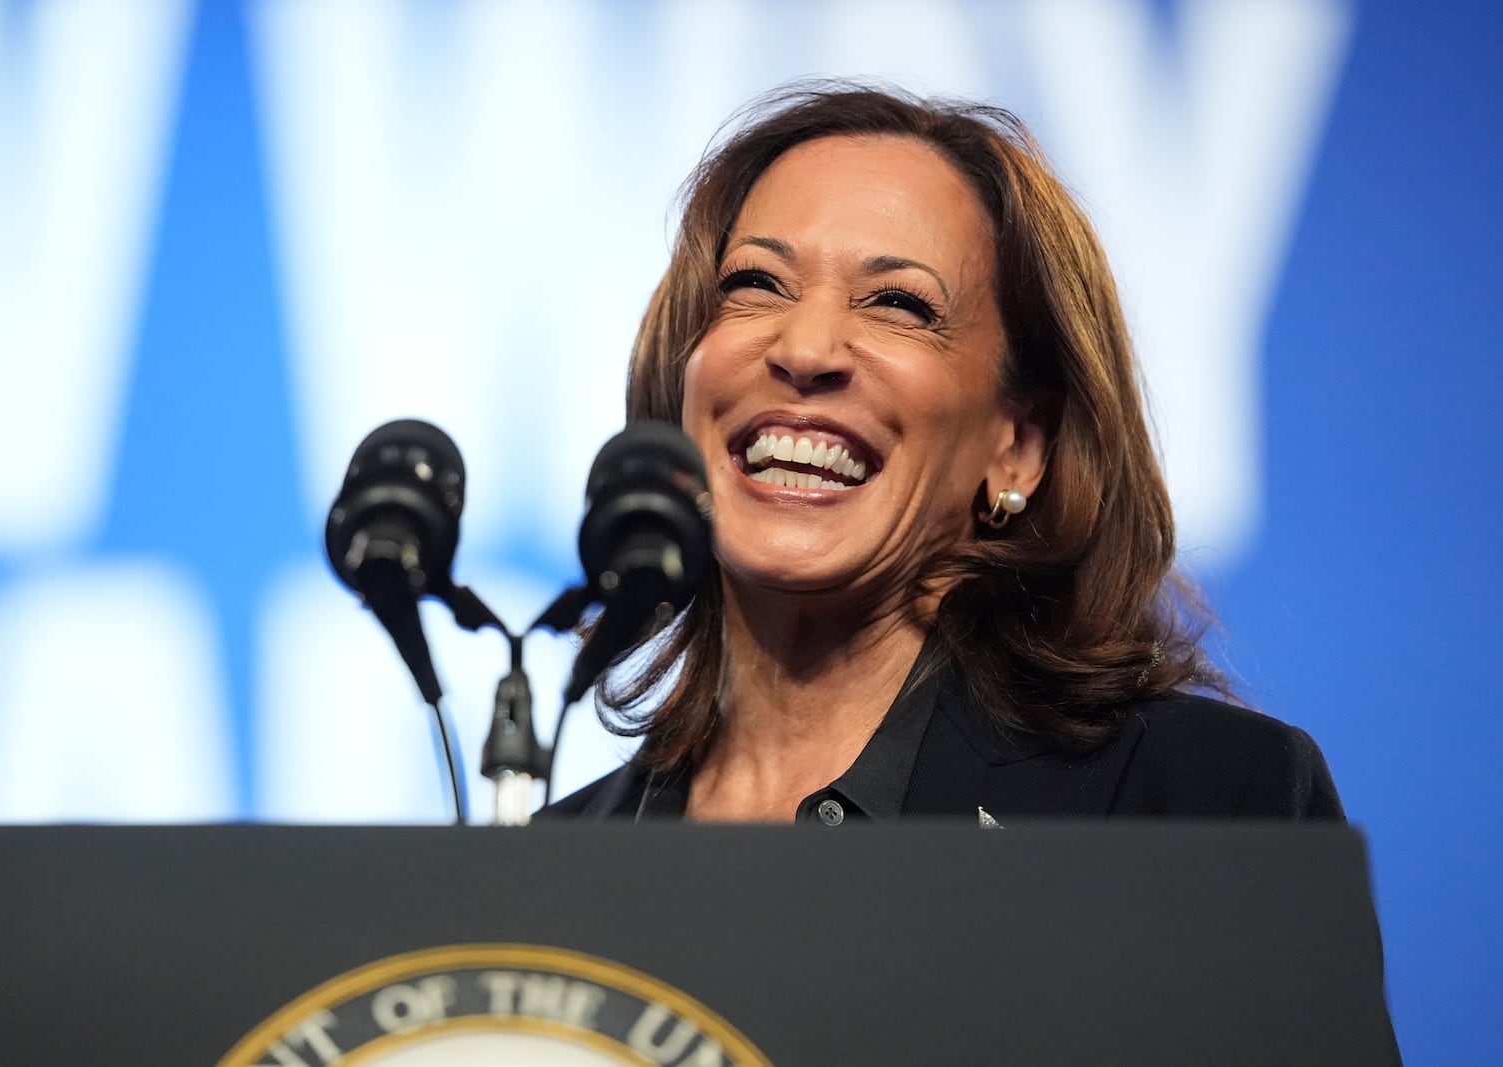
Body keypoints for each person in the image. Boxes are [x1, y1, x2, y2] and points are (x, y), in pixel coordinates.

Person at [548, 83, 1343, 823]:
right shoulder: (553, 870)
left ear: (1019, 448)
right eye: (757, 282)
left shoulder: (1199, 804)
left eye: (898, 303)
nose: (806, 345)